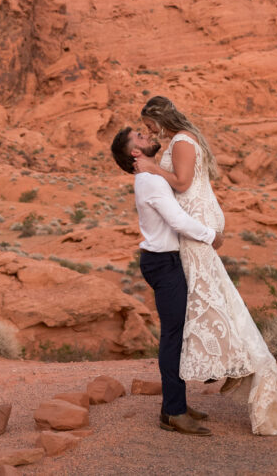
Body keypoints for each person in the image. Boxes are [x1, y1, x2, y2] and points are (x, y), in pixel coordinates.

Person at [136, 96, 277, 436]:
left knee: (205, 301)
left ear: (161, 120)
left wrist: (152, 169)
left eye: (150, 126)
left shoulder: (180, 141)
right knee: (206, 299)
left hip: (195, 230)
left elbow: (182, 183)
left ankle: (233, 362)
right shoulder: (184, 138)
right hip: (196, 227)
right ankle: (226, 365)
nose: (149, 132)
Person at [111, 126, 225, 436]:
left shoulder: (151, 177)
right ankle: (173, 412)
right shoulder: (149, 181)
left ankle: (175, 406)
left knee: (179, 333)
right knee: (173, 337)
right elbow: (176, 220)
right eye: (139, 137)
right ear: (135, 152)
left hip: (165, 262)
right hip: (163, 264)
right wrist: (210, 236)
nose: (145, 134)